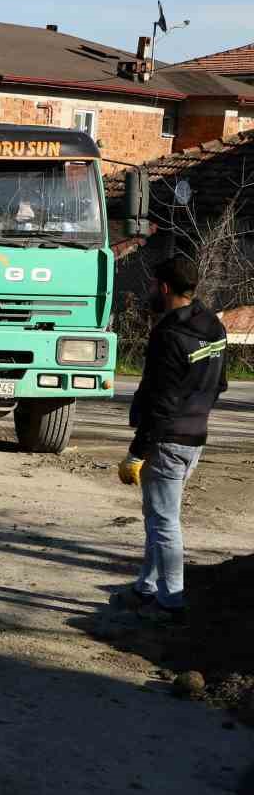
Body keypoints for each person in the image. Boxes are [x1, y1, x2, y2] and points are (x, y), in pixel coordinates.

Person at [112, 254, 227, 624]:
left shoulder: (168, 335)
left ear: (164, 288)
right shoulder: (213, 327)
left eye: (152, 286)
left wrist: (137, 452)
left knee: (165, 523)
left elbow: (160, 405)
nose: (150, 292)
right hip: (195, 438)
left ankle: (170, 603)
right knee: (156, 516)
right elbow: (220, 384)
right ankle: (146, 587)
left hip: (167, 441)